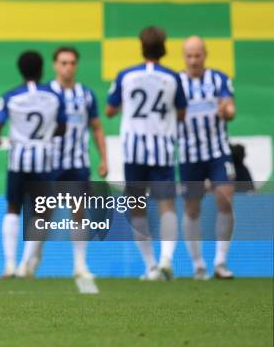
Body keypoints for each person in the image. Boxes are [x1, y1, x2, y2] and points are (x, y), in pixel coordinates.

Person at [106, 26, 187, 281]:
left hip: (134, 151)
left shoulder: (126, 76)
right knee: (167, 206)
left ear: (142, 47)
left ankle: (150, 265)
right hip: (162, 150)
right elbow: (182, 113)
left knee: (137, 207)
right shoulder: (173, 78)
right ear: (164, 48)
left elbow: (109, 110)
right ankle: (166, 259)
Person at [0, 51, 66, 278]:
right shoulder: (54, 96)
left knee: (13, 208)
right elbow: (63, 127)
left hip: (18, 160)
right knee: (42, 212)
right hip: (44, 161)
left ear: (20, 70)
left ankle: (10, 264)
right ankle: (25, 265)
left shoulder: (11, 96)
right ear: (42, 69)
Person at [45, 46, 108, 280]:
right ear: (55, 65)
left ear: (76, 66)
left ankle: (80, 265)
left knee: (78, 211)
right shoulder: (46, 94)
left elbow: (97, 128)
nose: (67, 67)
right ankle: (29, 263)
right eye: (63, 62)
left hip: (77, 162)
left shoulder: (87, 95)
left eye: (71, 63)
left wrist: (104, 158)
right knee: (42, 212)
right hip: (49, 163)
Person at [178, 36, 236, 280]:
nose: (193, 60)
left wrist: (227, 111)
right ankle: (198, 264)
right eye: (189, 56)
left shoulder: (220, 79)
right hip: (189, 155)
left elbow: (231, 108)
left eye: (197, 55)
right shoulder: (176, 83)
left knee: (226, 199)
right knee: (191, 208)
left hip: (217, 152)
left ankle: (220, 262)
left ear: (205, 54)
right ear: (184, 57)